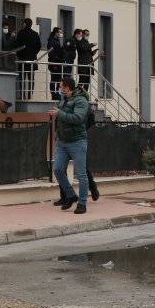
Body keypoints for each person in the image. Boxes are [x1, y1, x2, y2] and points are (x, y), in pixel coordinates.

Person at [50, 77, 91, 214]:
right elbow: (62, 118)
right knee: (57, 169)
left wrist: (59, 113)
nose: (59, 88)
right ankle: (71, 195)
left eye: (61, 86)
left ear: (67, 87)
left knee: (81, 174)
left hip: (77, 141)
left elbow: (78, 118)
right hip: (62, 141)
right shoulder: (64, 99)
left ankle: (82, 203)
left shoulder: (81, 100)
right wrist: (57, 133)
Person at [13, 18, 42, 99]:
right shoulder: (35, 34)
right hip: (32, 60)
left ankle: (22, 95)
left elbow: (17, 45)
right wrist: (33, 53)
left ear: (25, 24)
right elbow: (39, 46)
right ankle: (30, 96)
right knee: (31, 79)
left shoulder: (21, 33)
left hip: (22, 60)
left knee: (21, 78)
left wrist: (19, 55)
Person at [46, 27, 67, 100]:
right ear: (56, 33)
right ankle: (53, 94)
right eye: (60, 32)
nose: (61, 34)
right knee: (53, 79)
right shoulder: (51, 41)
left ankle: (57, 93)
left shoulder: (57, 40)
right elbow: (51, 53)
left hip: (58, 62)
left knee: (58, 80)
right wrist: (54, 63)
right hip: (54, 63)